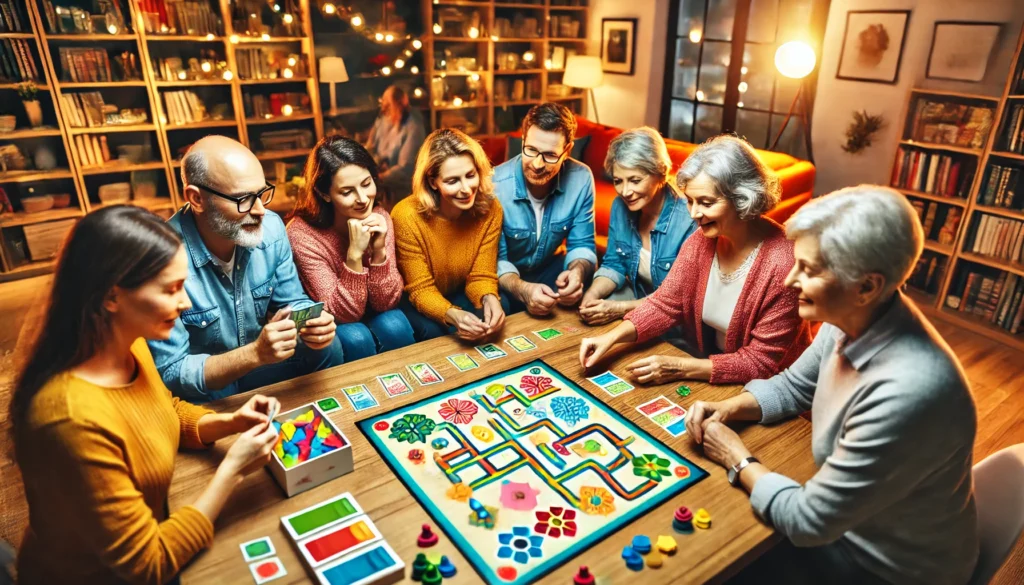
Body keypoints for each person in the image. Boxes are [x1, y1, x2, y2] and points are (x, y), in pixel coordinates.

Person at [689, 186, 978, 585]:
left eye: (808, 269)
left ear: (866, 286)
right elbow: (793, 387)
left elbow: (808, 521)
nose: (790, 280)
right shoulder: (855, 315)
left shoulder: (910, 390)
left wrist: (736, 458)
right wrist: (731, 407)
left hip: (882, 567)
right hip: (847, 526)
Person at [12, 206, 281, 585]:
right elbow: (148, 565)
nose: (185, 302)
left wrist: (228, 423)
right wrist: (232, 471)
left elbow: (159, 407)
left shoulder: (128, 343)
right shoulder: (68, 418)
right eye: (170, 289)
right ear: (111, 296)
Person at [579, 135, 810, 385]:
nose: (694, 213)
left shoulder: (785, 261)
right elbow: (665, 303)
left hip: (775, 386)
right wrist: (610, 338)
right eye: (689, 200)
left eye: (706, 203)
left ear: (742, 197)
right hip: (711, 364)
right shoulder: (701, 240)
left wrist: (678, 367)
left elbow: (760, 363)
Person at [149, 135, 344, 402]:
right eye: (243, 199)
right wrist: (254, 354)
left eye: (262, 193)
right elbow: (172, 371)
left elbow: (292, 302)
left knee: (329, 346)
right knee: (217, 389)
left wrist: (312, 324)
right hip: (209, 385)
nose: (261, 210)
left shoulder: (271, 228)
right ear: (196, 198)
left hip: (259, 362)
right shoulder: (159, 260)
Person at [288, 135, 415, 356]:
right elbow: (343, 314)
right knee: (356, 336)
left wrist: (379, 252)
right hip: (329, 323)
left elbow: (387, 303)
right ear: (324, 194)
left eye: (367, 184)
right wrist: (354, 256)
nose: (363, 198)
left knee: (395, 323)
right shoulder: (302, 235)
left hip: (372, 311)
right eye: (347, 192)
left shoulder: (380, 217)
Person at [393, 128, 507, 341]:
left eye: (470, 175)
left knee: (500, 306)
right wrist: (453, 315)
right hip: (415, 300)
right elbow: (421, 289)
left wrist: (490, 297)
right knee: (435, 330)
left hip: (457, 292)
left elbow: (481, 274)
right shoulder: (406, 216)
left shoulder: (491, 209)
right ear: (433, 181)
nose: (466, 189)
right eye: (452, 181)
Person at [579, 127, 697, 325]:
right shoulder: (620, 206)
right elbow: (614, 264)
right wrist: (591, 294)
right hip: (638, 300)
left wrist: (619, 309)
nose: (625, 191)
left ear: (660, 173)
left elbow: (680, 299)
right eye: (618, 181)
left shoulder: (689, 219)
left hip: (678, 322)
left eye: (635, 180)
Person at [493, 102, 597, 316]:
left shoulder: (581, 178)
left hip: (552, 271)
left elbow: (582, 244)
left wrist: (576, 272)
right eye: (530, 150)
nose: (537, 165)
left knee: (589, 294)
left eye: (550, 155)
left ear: (567, 151)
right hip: (505, 280)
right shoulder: (494, 185)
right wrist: (523, 290)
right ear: (523, 141)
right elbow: (496, 260)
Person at [365, 85, 426, 201]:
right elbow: (372, 147)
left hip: (401, 192)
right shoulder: (383, 119)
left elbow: (405, 169)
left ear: (400, 105)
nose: (383, 109)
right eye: (383, 104)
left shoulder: (414, 128)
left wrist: (379, 178)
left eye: (388, 105)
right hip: (380, 183)